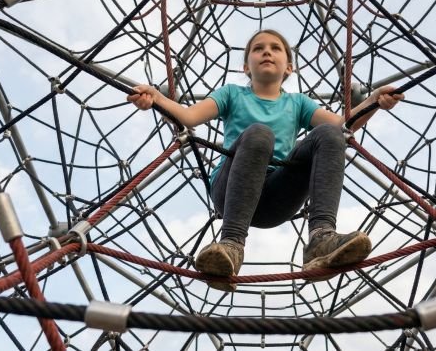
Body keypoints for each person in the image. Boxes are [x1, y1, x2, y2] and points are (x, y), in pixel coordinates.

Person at [128, 30, 404, 291]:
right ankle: (232, 245)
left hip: (276, 200)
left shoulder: (298, 102)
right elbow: (187, 117)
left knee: (329, 134)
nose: (266, 52)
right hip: (231, 191)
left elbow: (344, 126)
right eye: (257, 49)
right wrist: (156, 99)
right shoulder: (231, 94)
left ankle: (321, 237)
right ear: (246, 67)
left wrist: (373, 102)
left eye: (275, 48)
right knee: (260, 134)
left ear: (289, 68)